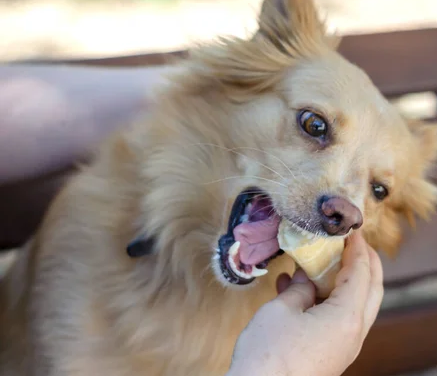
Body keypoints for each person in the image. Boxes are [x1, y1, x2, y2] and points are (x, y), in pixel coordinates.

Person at [0, 63, 384, 375]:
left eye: (378, 189)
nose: (347, 203)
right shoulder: (79, 245)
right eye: (314, 126)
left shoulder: (288, 328)